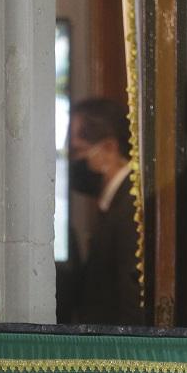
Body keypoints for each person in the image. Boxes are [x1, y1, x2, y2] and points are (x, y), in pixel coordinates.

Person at [68, 98, 144, 325]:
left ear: (110, 148)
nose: (74, 161)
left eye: (79, 150)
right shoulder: (115, 204)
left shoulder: (130, 208)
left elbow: (131, 302)